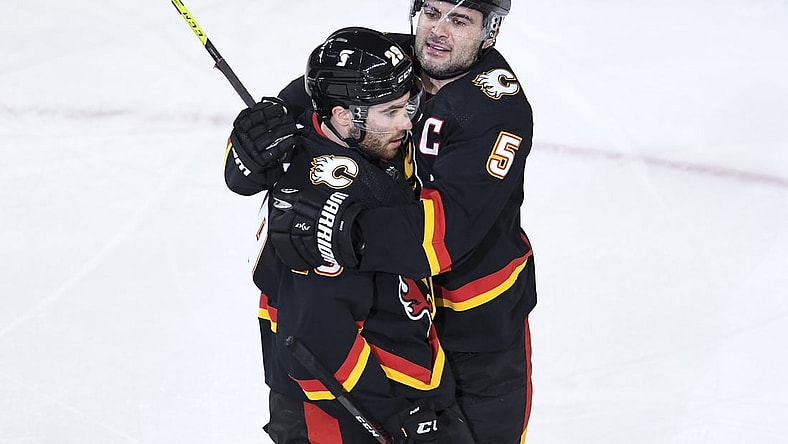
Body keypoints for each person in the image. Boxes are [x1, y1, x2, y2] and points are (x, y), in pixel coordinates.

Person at [226, 2, 536, 442]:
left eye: (460, 20)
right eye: (431, 12)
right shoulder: (376, 64)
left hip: (475, 326)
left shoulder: (494, 109)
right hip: (386, 320)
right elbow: (288, 121)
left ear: (491, 31)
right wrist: (248, 153)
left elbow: (444, 235)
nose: (438, 31)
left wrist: (342, 230)